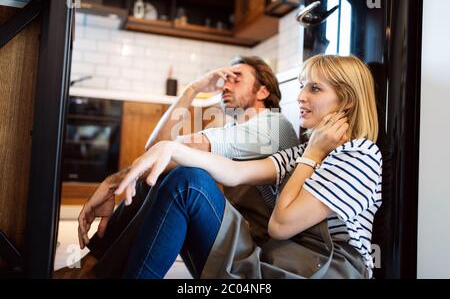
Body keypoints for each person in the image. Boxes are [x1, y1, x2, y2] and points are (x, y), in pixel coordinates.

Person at [102, 54, 383, 279]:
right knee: (182, 177)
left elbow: (281, 226)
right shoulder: (303, 150)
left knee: (184, 180)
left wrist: (312, 155)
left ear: (346, 101)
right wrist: (170, 148)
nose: (300, 97)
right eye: (301, 86)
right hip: (276, 260)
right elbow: (235, 173)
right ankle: (97, 264)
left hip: (313, 270)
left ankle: (96, 265)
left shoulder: (359, 155)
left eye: (315, 88)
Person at [58, 56, 299, 278]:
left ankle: (94, 273)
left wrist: (112, 183)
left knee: (186, 179)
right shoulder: (235, 131)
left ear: (263, 91)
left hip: (261, 251)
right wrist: (193, 89)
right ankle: (89, 266)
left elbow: (167, 149)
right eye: (226, 79)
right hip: (236, 237)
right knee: (164, 172)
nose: (226, 85)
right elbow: (157, 149)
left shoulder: (273, 125)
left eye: (237, 79)